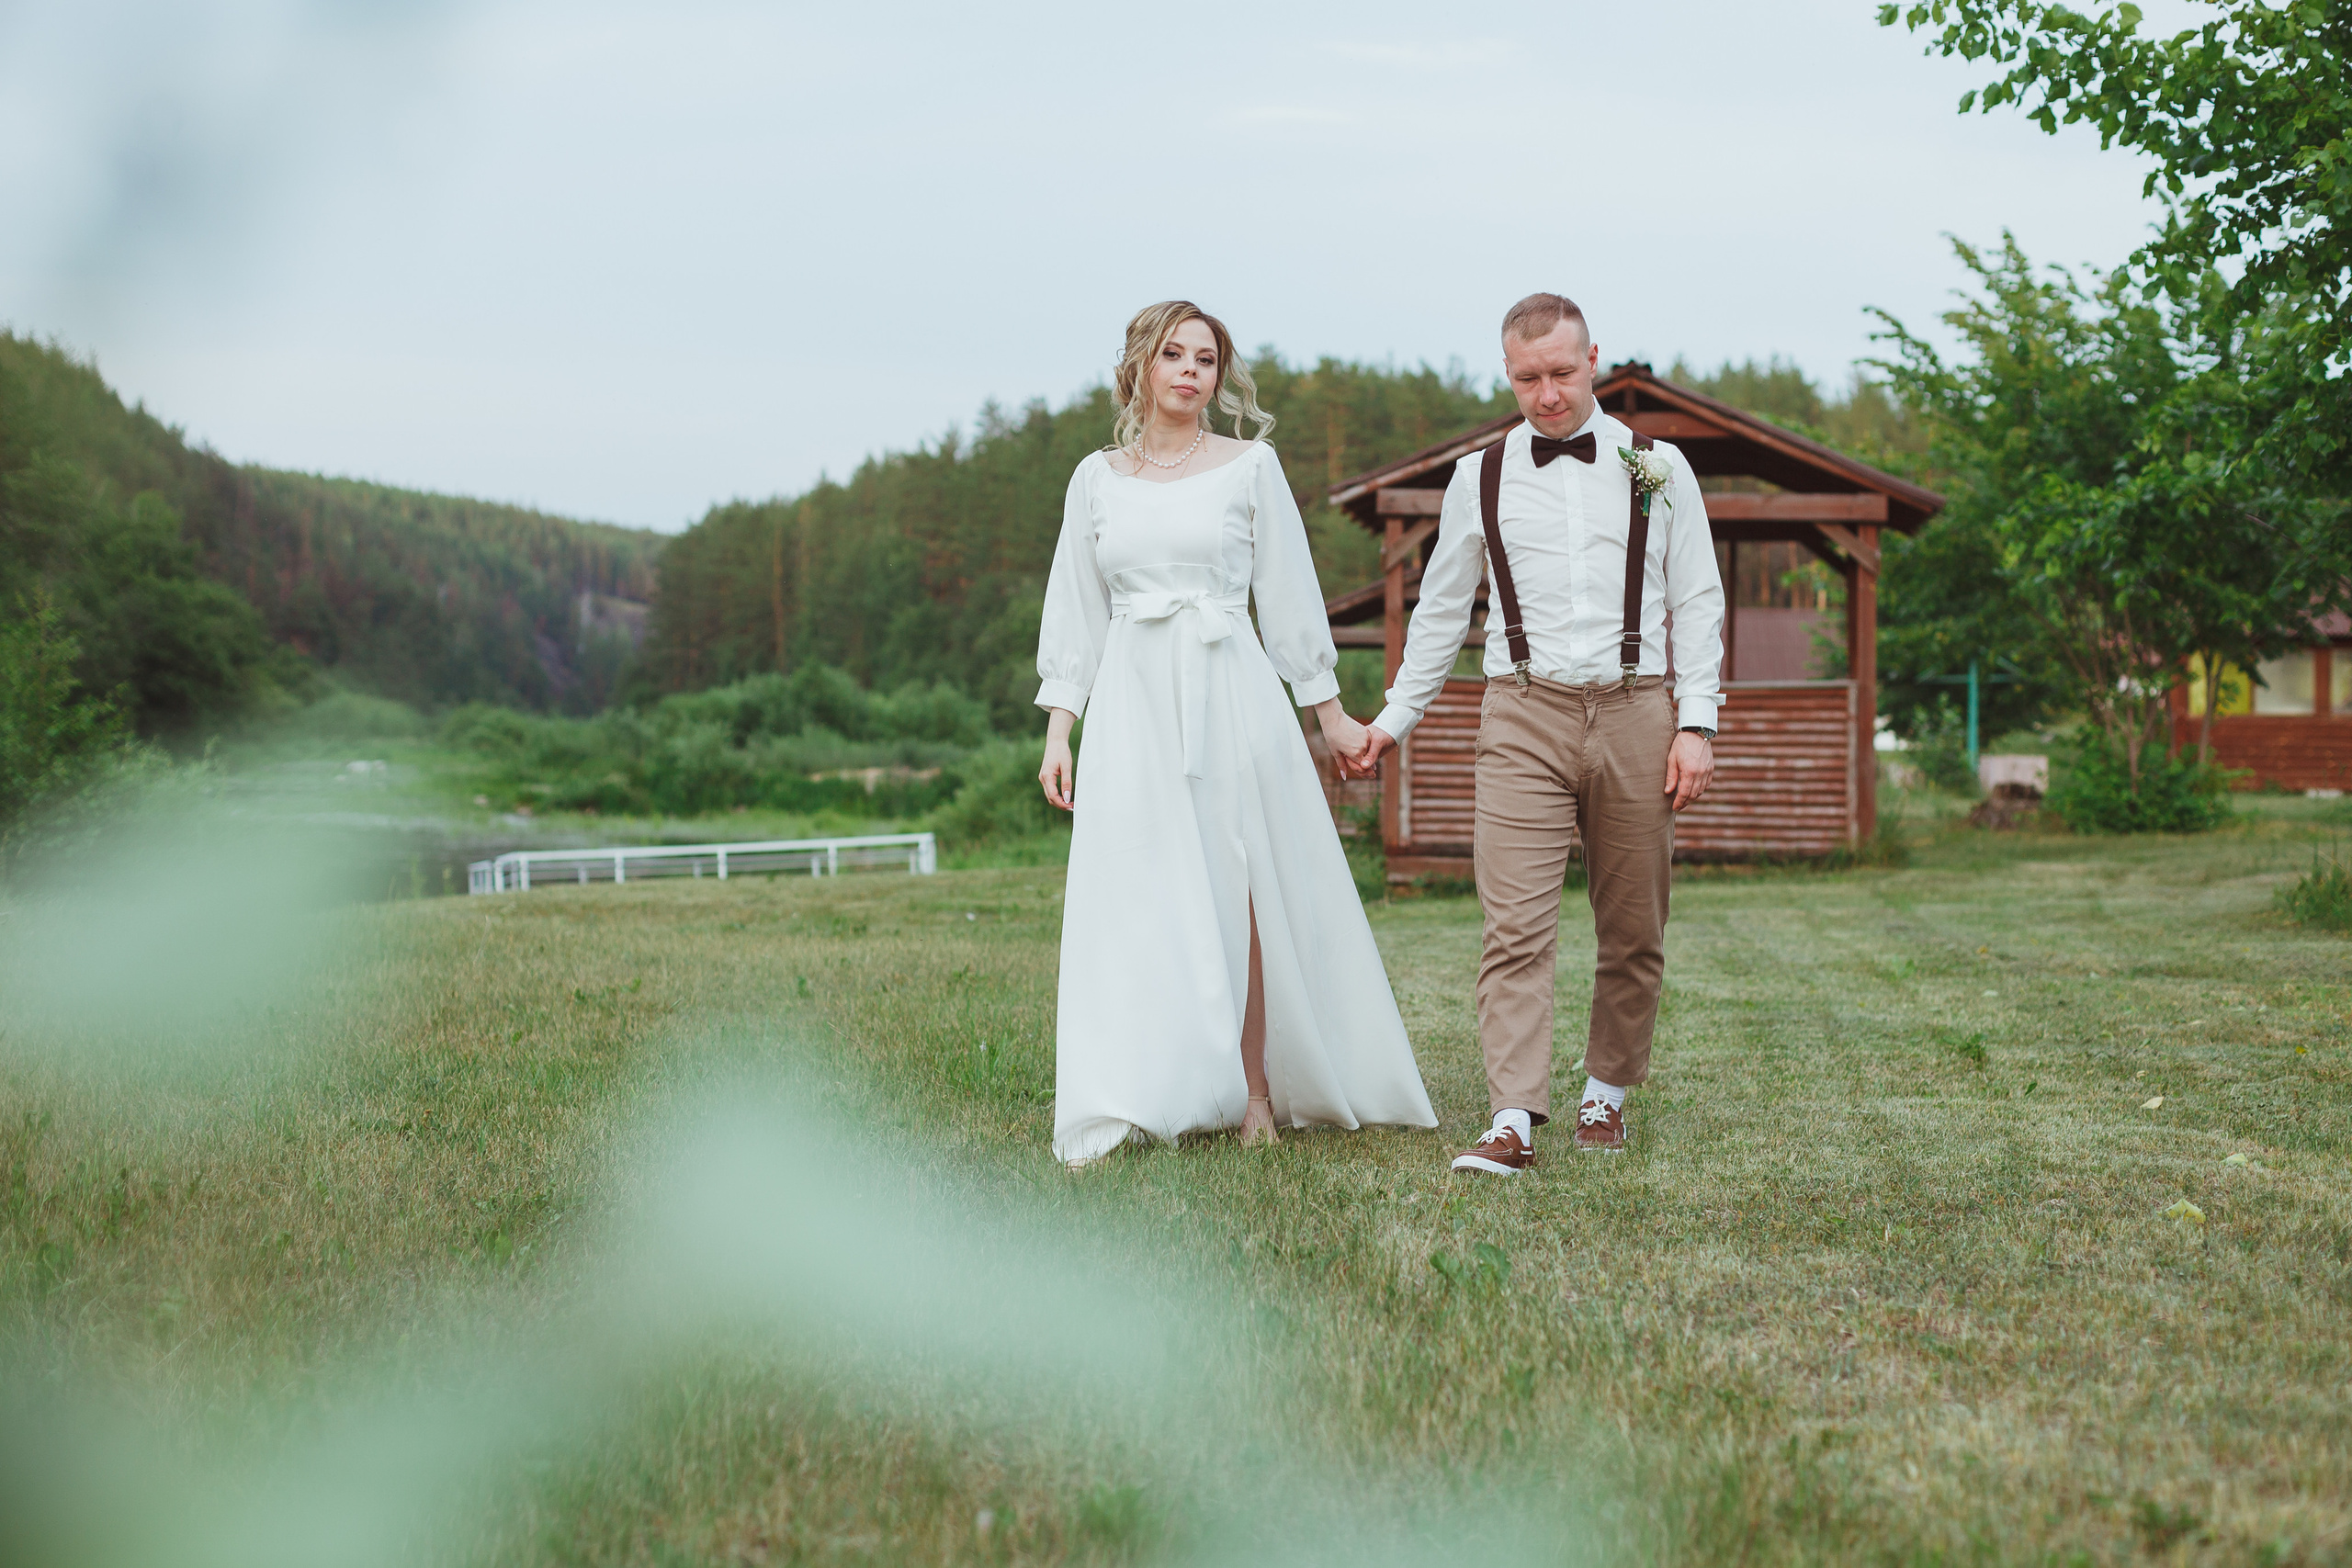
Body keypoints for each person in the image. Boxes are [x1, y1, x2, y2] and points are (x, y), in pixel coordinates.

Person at [1035, 300, 1438, 1168]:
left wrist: (1328, 714)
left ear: (1222, 375)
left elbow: (1288, 594)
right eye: (1173, 354)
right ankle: (1148, 1087)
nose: (1190, 370)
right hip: (1134, 703)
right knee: (1140, 888)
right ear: (1142, 364)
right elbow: (1075, 607)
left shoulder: (1250, 466)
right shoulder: (1095, 478)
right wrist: (1061, 726)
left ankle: (1256, 1092)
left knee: (1245, 884)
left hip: (1229, 685)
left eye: (1206, 358)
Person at [1344, 292, 1723, 1170]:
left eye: (1561, 372)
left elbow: (1698, 600)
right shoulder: (1479, 477)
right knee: (1513, 924)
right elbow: (1440, 613)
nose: (1547, 395)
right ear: (1507, 375)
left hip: (1639, 709)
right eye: (1527, 378)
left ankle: (1606, 1094)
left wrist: (1695, 723)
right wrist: (1394, 719)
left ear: (1594, 359)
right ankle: (1512, 1116)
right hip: (1520, 712)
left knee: (1633, 925)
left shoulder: (1658, 465)